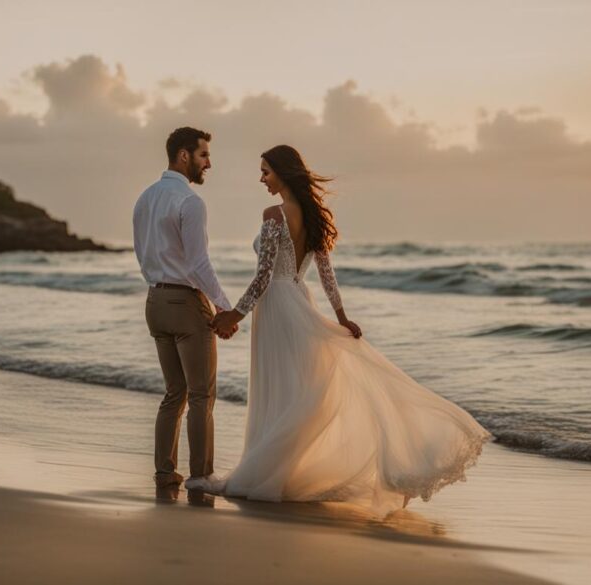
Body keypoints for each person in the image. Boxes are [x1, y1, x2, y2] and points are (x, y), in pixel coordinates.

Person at [208, 145, 492, 510]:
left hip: (277, 308)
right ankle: (284, 471)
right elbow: (326, 275)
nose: (261, 178)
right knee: (296, 390)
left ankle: (268, 473)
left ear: (283, 172)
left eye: (266, 171)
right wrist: (340, 316)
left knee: (278, 389)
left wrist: (236, 314)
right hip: (299, 300)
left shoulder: (273, 214)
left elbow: (263, 278)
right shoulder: (313, 216)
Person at [132, 127, 237, 492]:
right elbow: (197, 265)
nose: (209, 162)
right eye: (204, 155)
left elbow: (143, 254)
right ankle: (201, 476)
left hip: (154, 301)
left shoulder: (145, 198)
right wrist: (226, 307)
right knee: (201, 395)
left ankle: (164, 472)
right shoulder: (190, 201)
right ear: (183, 156)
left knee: (174, 392)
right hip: (184, 302)